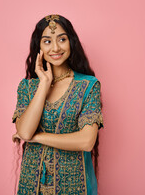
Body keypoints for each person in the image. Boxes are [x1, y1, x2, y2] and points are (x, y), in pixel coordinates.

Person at [12, 14, 104, 195]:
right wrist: (44, 83)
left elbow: (86, 141)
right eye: (47, 41)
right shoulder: (27, 87)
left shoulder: (88, 85)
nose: (55, 47)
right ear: (38, 46)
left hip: (74, 187)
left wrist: (37, 138)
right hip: (32, 185)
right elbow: (24, 131)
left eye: (62, 39)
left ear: (71, 42)